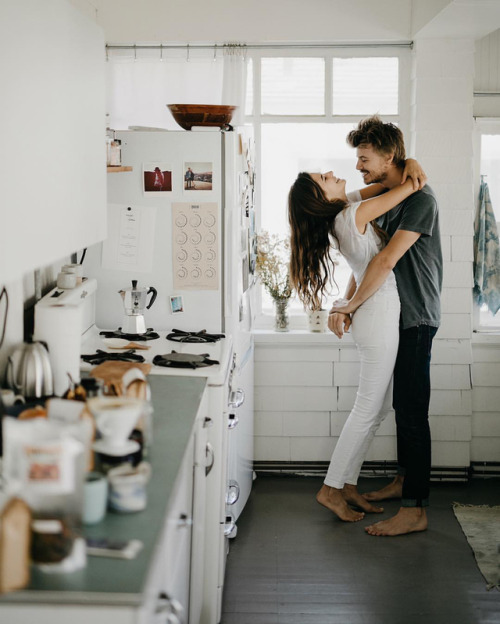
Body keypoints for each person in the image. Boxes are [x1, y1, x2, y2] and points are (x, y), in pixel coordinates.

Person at [288, 158, 426, 523]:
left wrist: (407, 160)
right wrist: (410, 167)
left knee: (377, 409)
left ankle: (347, 485)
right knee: (367, 409)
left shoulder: (345, 211)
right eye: (325, 178)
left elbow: (382, 185)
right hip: (378, 315)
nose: (332, 173)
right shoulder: (351, 215)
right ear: (321, 196)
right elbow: (408, 186)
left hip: (376, 316)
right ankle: (330, 488)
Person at [330, 116, 443, 536]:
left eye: (364, 158)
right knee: (402, 408)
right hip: (397, 315)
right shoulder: (395, 193)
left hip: (416, 315)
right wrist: (349, 301)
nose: (358, 166)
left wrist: (350, 306)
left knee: (412, 411)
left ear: (388, 156)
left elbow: (385, 260)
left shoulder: (419, 200)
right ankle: (402, 481)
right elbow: (360, 243)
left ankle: (415, 509)